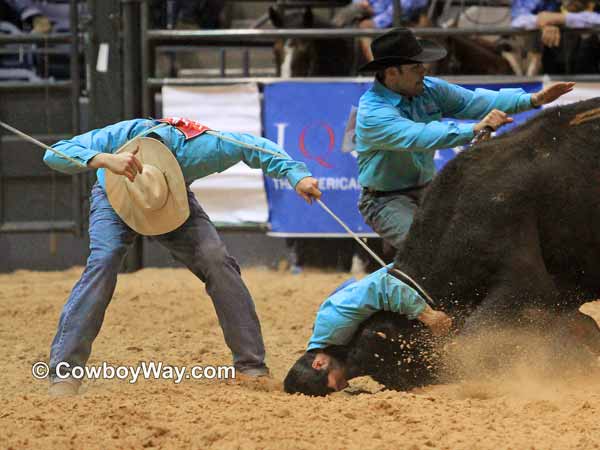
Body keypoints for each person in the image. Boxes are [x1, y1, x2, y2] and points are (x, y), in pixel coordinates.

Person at [43, 117, 322, 396]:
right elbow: (54, 152)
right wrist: (102, 159)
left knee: (216, 259)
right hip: (113, 195)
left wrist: (296, 174)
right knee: (103, 261)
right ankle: (65, 371)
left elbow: (251, 146)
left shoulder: (198, 150)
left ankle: (250, 365)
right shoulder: (119, 135)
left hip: (168, 198)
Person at [355, 28, 575, 252]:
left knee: (469, 242)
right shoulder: (372, 112)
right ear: (392, 73)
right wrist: (475, 129)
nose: (424, 70)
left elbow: (473, 101)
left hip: (429, 190)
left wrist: (533, 99)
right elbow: (418, 135)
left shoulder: (428, 88)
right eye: (416, 67)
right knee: (427, 252)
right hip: (385, 201)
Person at [284, 265, 452, 396]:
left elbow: (382, 285)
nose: (344, 386)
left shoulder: (331, 324)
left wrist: (427, 315)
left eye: (333, 387)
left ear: (318, 364)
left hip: (419, 277)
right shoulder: (334, 345)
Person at [512, 0, 600, 74]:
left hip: (588, 68)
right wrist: (544, 22)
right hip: (549, 60)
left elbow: (596, 18)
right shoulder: (544, 3)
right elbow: (518, 20)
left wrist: (559, 18)